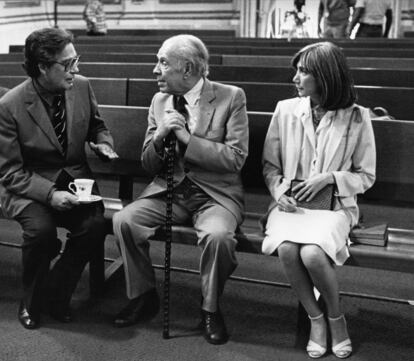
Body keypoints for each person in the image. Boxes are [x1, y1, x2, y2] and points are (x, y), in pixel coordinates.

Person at [112, 34, 249, 345]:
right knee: (125, 221)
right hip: (170, 189)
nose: (155, 70)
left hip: (215, 194)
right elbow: (148, 164)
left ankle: (210, 309)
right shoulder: (160, 101)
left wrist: (188, 139)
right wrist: (161, 135)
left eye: (163, 63)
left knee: (218, 237)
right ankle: (143, 296)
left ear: (188, 69)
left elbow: (236, 159)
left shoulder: (231, 97)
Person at [262, 42, 376, 358]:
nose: (295, 78)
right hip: (292, 205)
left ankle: (336, 317)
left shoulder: (357, 117)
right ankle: (316, 318)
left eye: (303, 71)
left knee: (312, 254)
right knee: (287, 249)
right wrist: (279, 191)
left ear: (325, 77)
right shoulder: (286, 109)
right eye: (296, 71)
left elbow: (366, 176)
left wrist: (330, 178)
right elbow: (270, 166)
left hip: (336, 207)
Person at [0, 27, 118, 330]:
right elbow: (9, 172)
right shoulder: (10, 106)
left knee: (93, 226)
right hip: (29, 184)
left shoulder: (81, 86)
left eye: (75, 60)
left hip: (76, 178)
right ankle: (31, 299)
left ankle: (55, 293)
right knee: (41, 233)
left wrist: (102, 142)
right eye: (67, 64)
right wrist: (50, 194)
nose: (75, 69)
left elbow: (97, 125)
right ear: (42, 67)